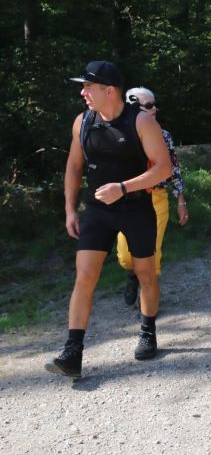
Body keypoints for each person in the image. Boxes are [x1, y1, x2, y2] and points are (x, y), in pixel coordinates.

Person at [45, 61, 172, 378]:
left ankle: (147, 330)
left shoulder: (140, 121)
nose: (83, 92)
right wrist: (70, 209)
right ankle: (72, 352)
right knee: (84, 277)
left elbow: (163, 168)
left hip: (136, 206)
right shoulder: (82, 122)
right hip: (98, 210)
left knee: (145, 273)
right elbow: (74, 167)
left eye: (89, 86)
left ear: (109, 90)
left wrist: (124, 188)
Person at [117, 87, 189, 306]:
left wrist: (181, 200)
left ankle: (147, 306)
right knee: (125, 256)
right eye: (148, 105)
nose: (154, 109)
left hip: (157, 199)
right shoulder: (118, 135)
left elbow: (173, 168)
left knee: (152, 253)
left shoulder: (163, 135)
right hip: (127, 200)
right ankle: (132, 275)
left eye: (154, 104)